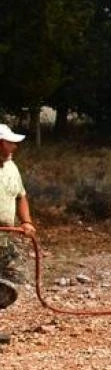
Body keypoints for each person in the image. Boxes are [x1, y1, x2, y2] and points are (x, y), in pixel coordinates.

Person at [0, 123, 34, 306]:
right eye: (10, 142)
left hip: (5, 235)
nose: (15, 146)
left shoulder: (11, 166)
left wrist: (26, 222)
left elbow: (21, 196)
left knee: (13, 278)